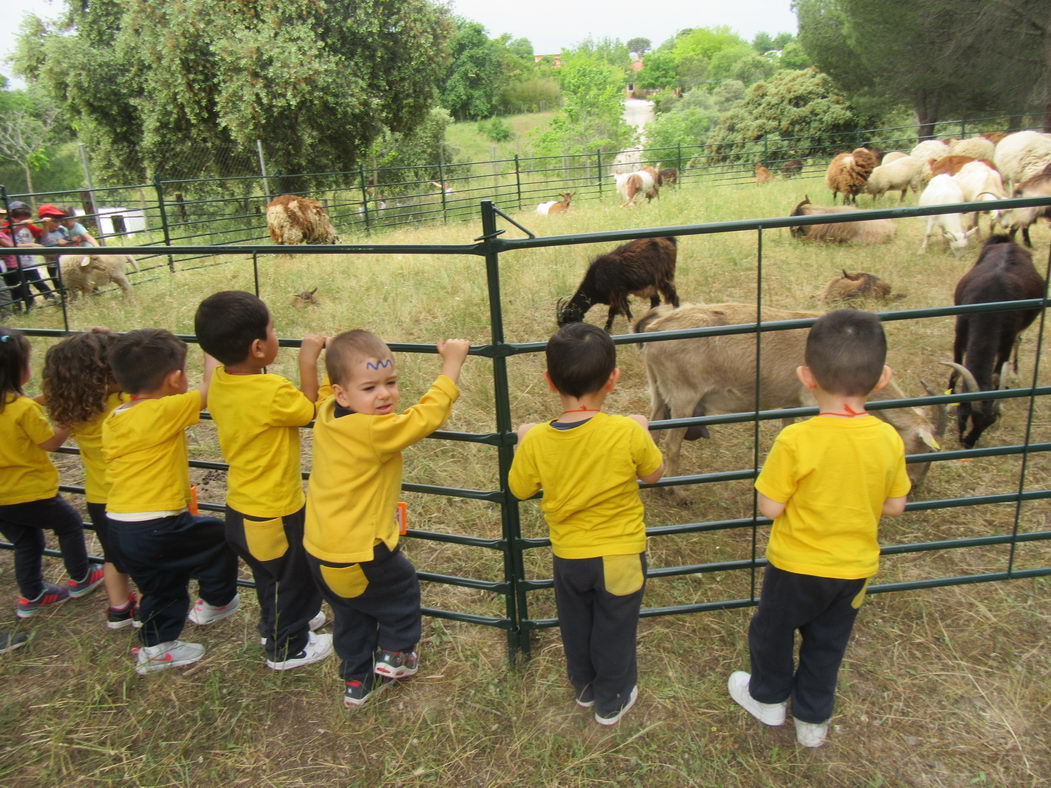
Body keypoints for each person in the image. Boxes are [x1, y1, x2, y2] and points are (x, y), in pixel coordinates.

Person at [728, 309, 910, 748]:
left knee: (772, 630)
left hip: (794, 566)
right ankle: (812, 720)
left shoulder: (796, 439)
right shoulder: (889, 439)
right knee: (827, 642)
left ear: (806, 377)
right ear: (883, 377)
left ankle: (768, 698)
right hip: (853, 569)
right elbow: (895, 505)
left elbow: (770, 507)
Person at [508, 322, 664, 726]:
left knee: (576, 623)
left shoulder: (540, 439)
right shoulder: (625, 431)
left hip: (569, 557)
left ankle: (584, 686)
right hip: (621, 556)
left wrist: (525, 439)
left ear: (548, 381)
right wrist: (642, 429)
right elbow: (654, 473)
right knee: (616, 626)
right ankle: (612, 700)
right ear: (613, 379)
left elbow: (520, 488)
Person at [304, 330, 470, 708]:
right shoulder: (373, 430)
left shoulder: (328, 413)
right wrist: (452, 363)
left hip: (318, 548)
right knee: (401, 590)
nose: (384, 395)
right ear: (344, 393)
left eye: (390, 382)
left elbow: (322, 392)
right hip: (361, 549)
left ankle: (356, 681)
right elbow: (426, 416)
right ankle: (397, 653)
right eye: (370, 387)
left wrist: (317, 356)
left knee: (350, 612)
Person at [194, 291, 332, 671]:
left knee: (270, 576)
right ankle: (287, 647)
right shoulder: (270, 391)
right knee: (294, 578)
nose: (277, 335)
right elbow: (309, 410)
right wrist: (309, 359)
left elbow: (215, 366)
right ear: (258, 347)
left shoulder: (221, 381)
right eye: (273, 330)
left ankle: (278, 626)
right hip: (275, 510)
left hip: (242, 508)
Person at [102, 329, 240, 674]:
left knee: (161, 586)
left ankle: (156, 645)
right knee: (220, 537)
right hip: (155, 522)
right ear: (175, 379)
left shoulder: (117, 417)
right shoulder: (163, 410)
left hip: (119, 523)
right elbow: (208, 392)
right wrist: (213, 349)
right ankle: (217, 601)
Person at [0, 327, 105, 618]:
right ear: (17, 369)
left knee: (26, 541)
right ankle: (82, 577)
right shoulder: (23, 410)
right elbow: (51, 443)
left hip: (2, 497)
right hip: (30, 491)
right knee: (70, 523)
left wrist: (40, 399)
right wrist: (69, 420)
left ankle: (32, 595)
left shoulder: (18, 406)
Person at [42, 329, 138, 629]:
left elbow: (52, 438)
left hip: (99, 497)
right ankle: (151, 610)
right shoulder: (125, 400)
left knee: (113, 557)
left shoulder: (77, 410)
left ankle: (119, 609)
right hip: (136, 496)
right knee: (146, 560)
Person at [5, 201, 53, 308]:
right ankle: (29, 304)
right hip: (15, 263)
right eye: (18, 217)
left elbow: (42, 235)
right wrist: (21, 226)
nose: (22, 220)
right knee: (21, 286)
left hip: (29, 262)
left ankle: (50, 297)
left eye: (25, 216)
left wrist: (45, 225)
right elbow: (8, 239)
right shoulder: (6, 226)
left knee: (38, 281)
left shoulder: (29, 226)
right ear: (11, 216)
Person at [37, 204, 71, 286]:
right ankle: (63, 295)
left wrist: (67, 242)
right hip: (52, 264)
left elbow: (68, 241)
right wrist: (57, 242)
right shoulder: (41, 233)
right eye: (55, 221)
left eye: (59, 220)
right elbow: (43, 245)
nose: (58, 223)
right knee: (58, 283)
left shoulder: (62, 230)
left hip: (65, 261)